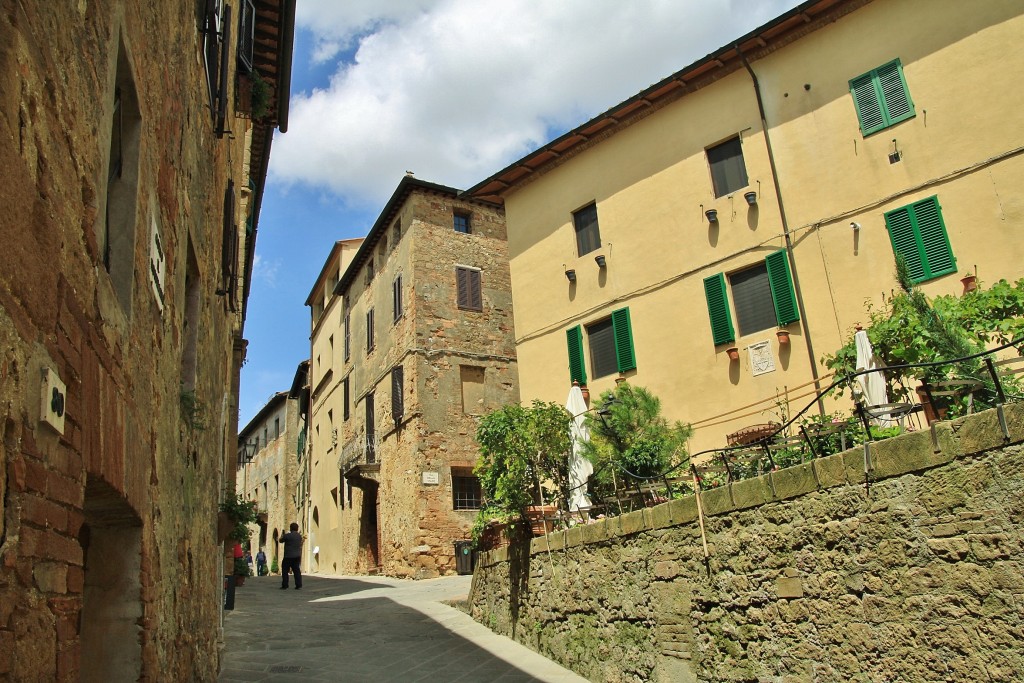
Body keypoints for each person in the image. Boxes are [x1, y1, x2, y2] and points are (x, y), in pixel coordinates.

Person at [278, 522, 303, 589]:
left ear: (291, 528)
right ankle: (298, 585)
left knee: (285, 571)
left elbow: (280, 540)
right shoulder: (299, 536)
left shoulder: (287, 536)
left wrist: (282, 535)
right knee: (297, 571)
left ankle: (285, 585)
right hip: (297, 556)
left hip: (288, 556)